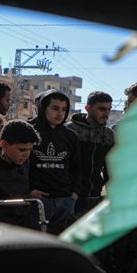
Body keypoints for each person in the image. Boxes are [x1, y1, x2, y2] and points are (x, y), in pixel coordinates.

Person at [28, 89, 81, 233]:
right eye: (55, 108)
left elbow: (77, 168)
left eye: (64, 109)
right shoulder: (29, 132)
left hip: (65, 201)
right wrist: (29, 191)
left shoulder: (70, 136)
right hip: (37, 202)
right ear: (43, 108)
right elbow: (20, 166)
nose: (60, 114)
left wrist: (74, 194)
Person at [65, 91, 115, 212]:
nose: (106, 113)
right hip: (69, 196)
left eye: (109, 109)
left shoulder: (109, 136)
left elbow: (112, 170)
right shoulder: (70, 131)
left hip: (95, 196)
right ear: (88, 108)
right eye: (102, 109)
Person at [0, 119, 41, 228]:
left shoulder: (25, 163)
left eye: (30, 150)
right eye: (21, 150)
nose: (26, 155)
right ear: (5, 145)